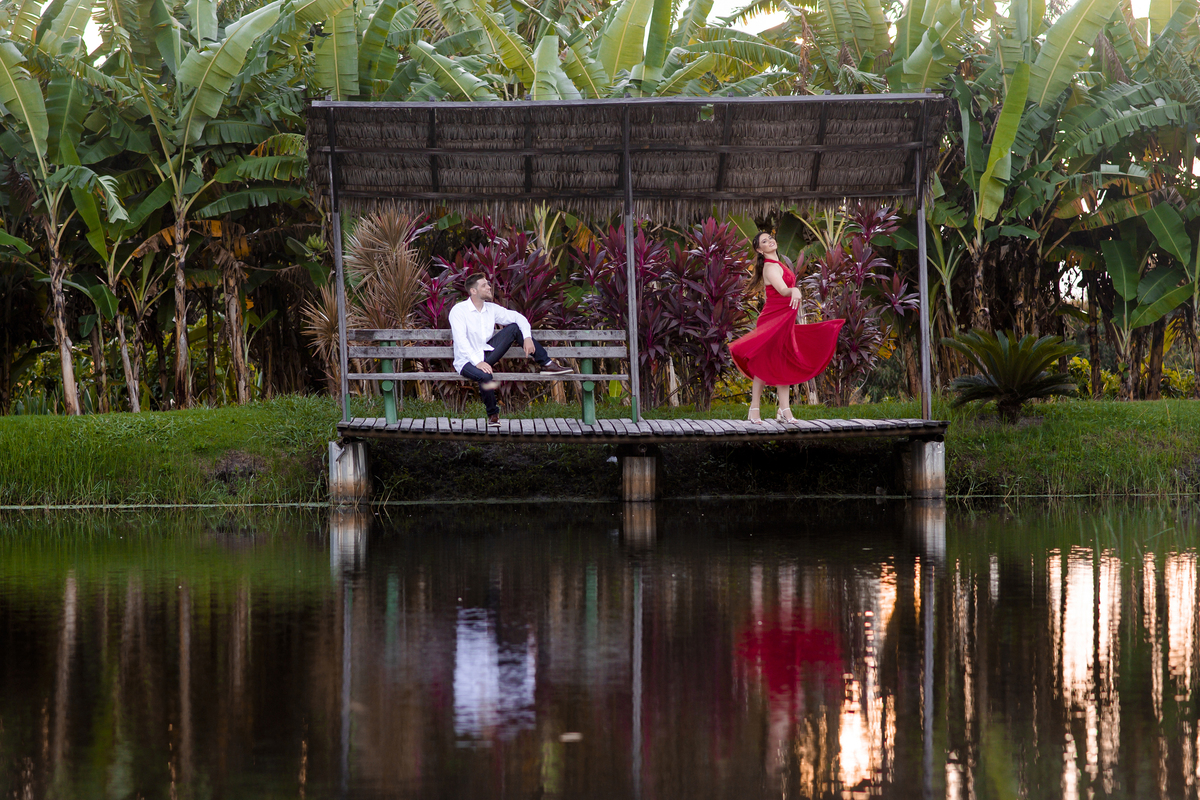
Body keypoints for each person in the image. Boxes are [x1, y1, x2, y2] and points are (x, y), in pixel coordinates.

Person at [729, 231, 844, 424]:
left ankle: (784, 410)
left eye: (770, 238)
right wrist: (795, 290)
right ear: (759, 249)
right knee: (763, 365)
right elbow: (783, 291)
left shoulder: (778, 264)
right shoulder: (770, 267)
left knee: (783, 364)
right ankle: (754, 409)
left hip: (785, 321)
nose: (770, 241)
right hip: (772, 321)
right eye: (764, 241)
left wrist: (794, 292)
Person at [449, 273, 573, 425]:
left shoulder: (491, 309)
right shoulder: (459, 311)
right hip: (466, 361)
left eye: (488, 284)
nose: (489, 287)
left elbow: (518, 318)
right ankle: (493, 415)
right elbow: (461, 341)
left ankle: (547, 364)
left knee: (515, 328)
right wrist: (477, 363)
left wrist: (527, 337)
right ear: (473, 291)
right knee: (485, 376)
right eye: (484, 285)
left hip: (486, 353)